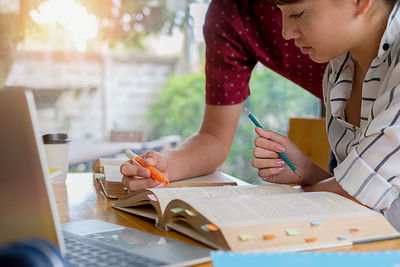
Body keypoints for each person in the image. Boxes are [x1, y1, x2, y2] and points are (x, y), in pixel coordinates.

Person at [120, 1, 326, 190]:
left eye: (298, 13)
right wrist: (166, 165)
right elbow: (214, 137)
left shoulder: (344, 22)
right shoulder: (228, 13)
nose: (287, 32)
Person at [252, 0, 400, 230]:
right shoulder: (338, 69)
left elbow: (353, 196)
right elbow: (359, 191)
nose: (285, 32)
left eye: (298, 13)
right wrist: (307, 172)